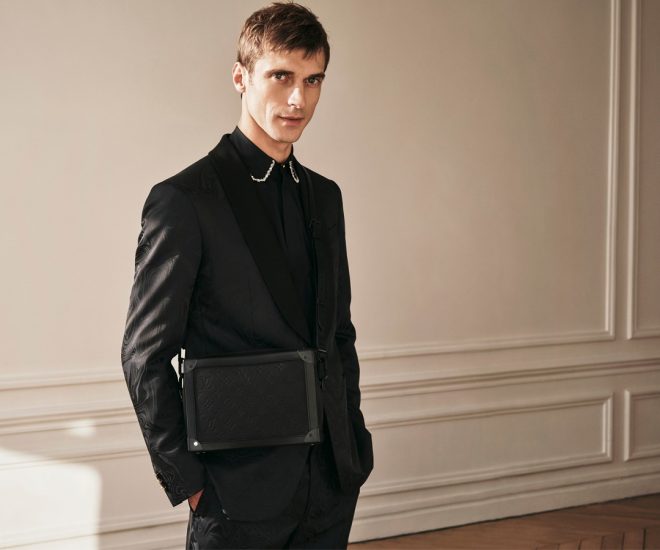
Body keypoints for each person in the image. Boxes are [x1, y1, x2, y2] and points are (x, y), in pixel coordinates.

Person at [120, 2, 373, 548]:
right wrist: (190, 483)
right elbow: (144, 355)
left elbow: (339, 332)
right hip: (234, 492)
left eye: (312, 80)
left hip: (331, 483)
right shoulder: (185, 200)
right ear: (241, 77)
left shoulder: (325, 198)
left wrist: (352, 442)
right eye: (281, 76)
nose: (298, 98)